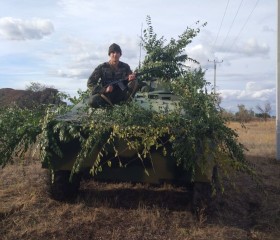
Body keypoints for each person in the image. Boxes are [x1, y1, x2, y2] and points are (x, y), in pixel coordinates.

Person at [87, 43, 137, 108]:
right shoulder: (102, 67)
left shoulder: (125, 67)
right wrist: (104, 90)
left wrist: (131, 78)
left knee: (134, 82)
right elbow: (90, 83)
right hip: (106, 96)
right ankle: (108, 107)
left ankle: (125, 104)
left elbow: (130, 78)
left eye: (117, 52)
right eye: (113, 52)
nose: (115, 54)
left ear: (120, 54)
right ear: (109, 54)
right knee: (92, 101)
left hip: (121, 94)